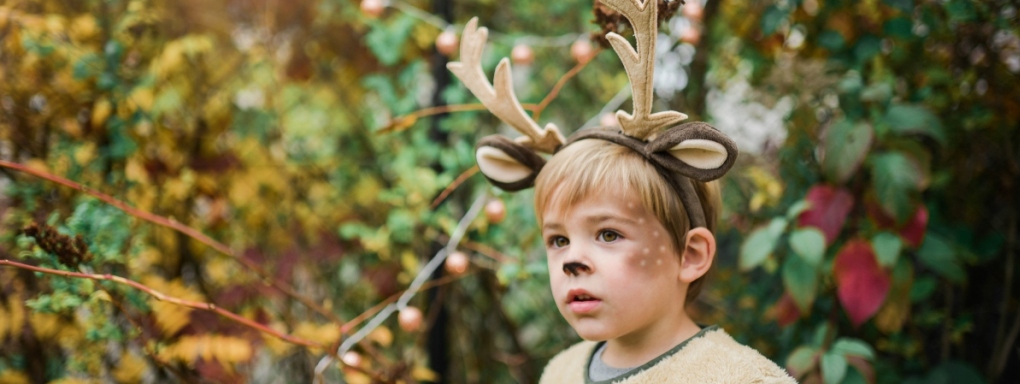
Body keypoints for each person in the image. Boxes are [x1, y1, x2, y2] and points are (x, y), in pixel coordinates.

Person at [446, 1, 797, 382]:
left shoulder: (738, 378)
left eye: (608, 234)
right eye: (558, 240)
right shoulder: (561, 372)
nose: (571, 262)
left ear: (690, 255)